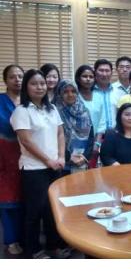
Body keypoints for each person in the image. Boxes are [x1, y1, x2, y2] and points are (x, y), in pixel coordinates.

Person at [10, 69, 69, 259]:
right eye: (34, 83)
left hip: (55, 166)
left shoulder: (52, 109)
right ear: (26, 86)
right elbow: (26, 141)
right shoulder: (21, 111)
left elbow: (60, 133)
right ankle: (33, 251)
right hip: (34, 169)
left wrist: (61, 157)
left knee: (53, 210)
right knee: (34, 212)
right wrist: (48, 160)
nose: (40, 87)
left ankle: (53, 246)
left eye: (42, 83)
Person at [0, 64, 24, 255]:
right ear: (5, 80)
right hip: (4, 154)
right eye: (12, 77)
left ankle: (24, 236)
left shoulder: (29, 101)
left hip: (28, 154)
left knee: (26, 197)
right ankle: (10, 240)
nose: (17, 80)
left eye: (20, 76)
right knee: (8, 199)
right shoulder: (0, 101)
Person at [54, 80, 94, 175]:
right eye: (65, 92)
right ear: (60, 93)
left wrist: (85, 156)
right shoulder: (54, 112)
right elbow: (53, 139)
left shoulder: (84, 111)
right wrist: (68, 157)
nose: (70, 94)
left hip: (82, 161)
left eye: (73, 91)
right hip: (62, 162)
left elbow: (91, 137)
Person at [75, 65, 105, 167]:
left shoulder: (98, 96)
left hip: (95, 142)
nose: (88, 79)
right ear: (78, 78)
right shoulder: (74, 96)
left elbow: (102, 122)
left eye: (91, 77)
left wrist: (96, 144)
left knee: (91, 176)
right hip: (76, 143)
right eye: (84, 76)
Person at [93, 59, 125, 129]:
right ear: (95, 72)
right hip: (94, 135)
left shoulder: (120, 93)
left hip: (116, 135)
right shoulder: (89, 93)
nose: (104, 74)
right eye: (101, 70)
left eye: (107, 71)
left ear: (111, 73)